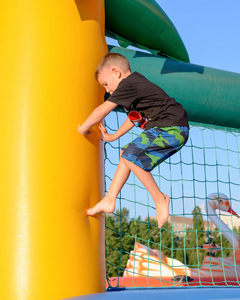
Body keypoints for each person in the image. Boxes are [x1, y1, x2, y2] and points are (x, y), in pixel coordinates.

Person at [78, 53, 189, 228]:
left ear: (116, 72)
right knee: (126, 154)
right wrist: (114, 136)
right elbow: (133, 117)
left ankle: (159, 198)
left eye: (106, 84)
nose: (107, 91)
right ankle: (109, 199)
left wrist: (83, 127)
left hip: (170, 127)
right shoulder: (136, 86)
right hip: (168, 127)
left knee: (132, 156)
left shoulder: (129, 83)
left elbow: (103, 110)